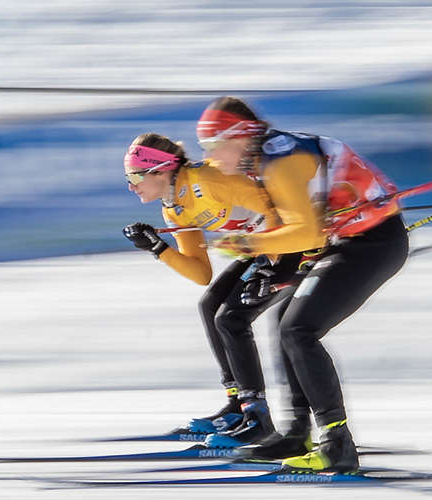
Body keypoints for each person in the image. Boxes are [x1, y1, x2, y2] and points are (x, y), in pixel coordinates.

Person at [197, 96, 409, 472]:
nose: (212, 157)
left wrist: (249, 245)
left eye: (213, 146)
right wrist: (270, 263)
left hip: (372, 244)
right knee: (286, 325)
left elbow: (305, 232)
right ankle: (297, 432)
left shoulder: (279, 163)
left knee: (299, 330)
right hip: (347, 241)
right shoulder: (266, 156)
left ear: (239, 138)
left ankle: (337, 445)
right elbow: (298, 228)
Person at [120, 133, 302, 445]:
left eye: (134, 176)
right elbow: (201, 272)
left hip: (292, 241)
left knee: (230, 318)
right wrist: (157, 247)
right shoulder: (174, 207)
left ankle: (257, 416)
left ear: (160, 170)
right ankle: (238, 404)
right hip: (263, 247)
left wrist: (278, 263)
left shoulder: (206, 180)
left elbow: (278, 209)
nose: (130, 185)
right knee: (210, 305)